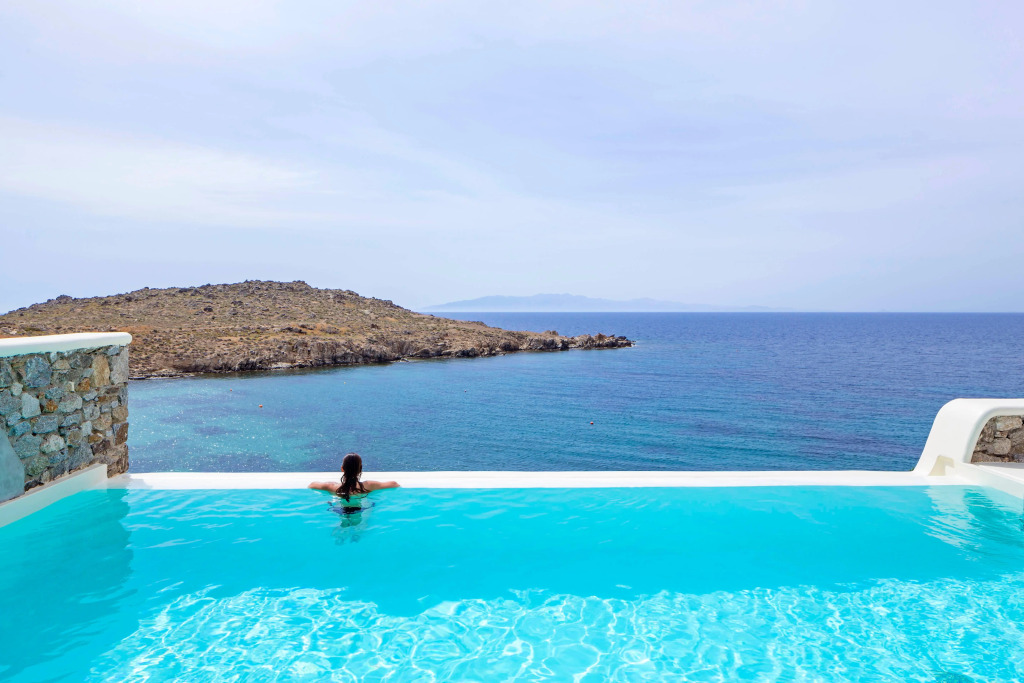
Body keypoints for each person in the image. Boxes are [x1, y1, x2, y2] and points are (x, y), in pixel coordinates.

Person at [308, 453, 399, 512]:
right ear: (360, 469)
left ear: (342, 469)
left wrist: (330, 483)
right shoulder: (368, 485)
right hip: (361, 510)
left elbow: (311, 485)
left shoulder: (333, 487)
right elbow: (394, 484)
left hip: (339, 510)